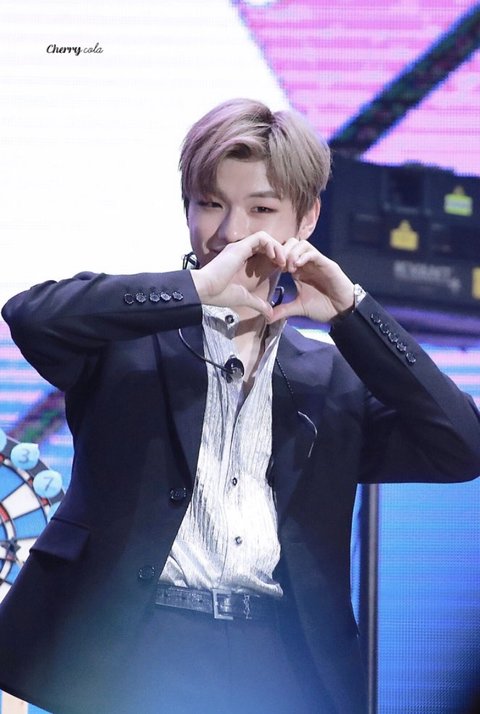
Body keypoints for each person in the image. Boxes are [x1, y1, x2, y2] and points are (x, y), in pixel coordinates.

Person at [0, 98, 479, 714]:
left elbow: (461, 446)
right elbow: (30, 316)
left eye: (261, 210)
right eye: (210, 204)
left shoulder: (332, 379)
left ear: (306, 219)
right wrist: (195, 289)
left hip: (278, 655)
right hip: (132, 644)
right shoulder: (126, 342)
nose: (230, 232)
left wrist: (353, 312)